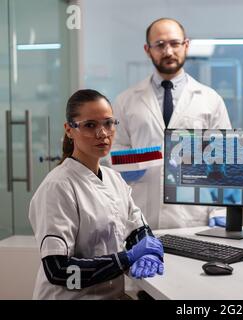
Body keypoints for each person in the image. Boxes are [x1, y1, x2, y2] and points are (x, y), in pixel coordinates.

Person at [29, 89, 164, 299]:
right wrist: (126, 259)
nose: (103, 134)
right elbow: (59, 270)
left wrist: (148, 250)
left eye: (108, 123)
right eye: (90, 125)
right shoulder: (58, 187)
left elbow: (138, 228)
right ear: (69, 130)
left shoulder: (114, 179)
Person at [112, 18, 231, 229]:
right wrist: (127, 164)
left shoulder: (210, 100)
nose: (168, 51)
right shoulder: (126, 100)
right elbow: (114, 148)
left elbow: (224, 158)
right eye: (159, 45)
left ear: (186, 45)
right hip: (141, 212)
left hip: (192, 214)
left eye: (175, 43)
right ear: (147, 50)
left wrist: (220, 209)